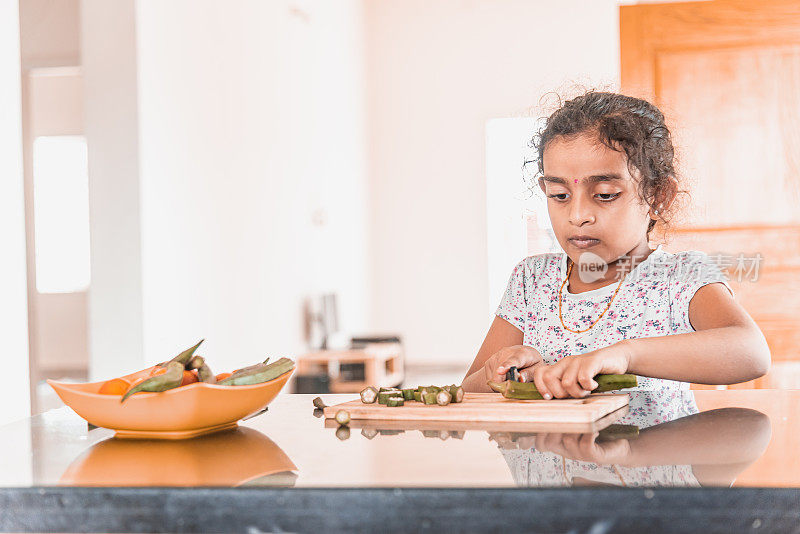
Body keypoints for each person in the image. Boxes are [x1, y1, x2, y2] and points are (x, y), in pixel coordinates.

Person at [463, 91, 770, 397]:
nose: (578, 215)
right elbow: (469, 391)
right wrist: (497, 369)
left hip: (653, 447)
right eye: (559, 195)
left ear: (658, 196)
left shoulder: (679, 275)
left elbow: (751, 352)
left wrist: (625, 355)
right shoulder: (531, 280)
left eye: (606, 194)